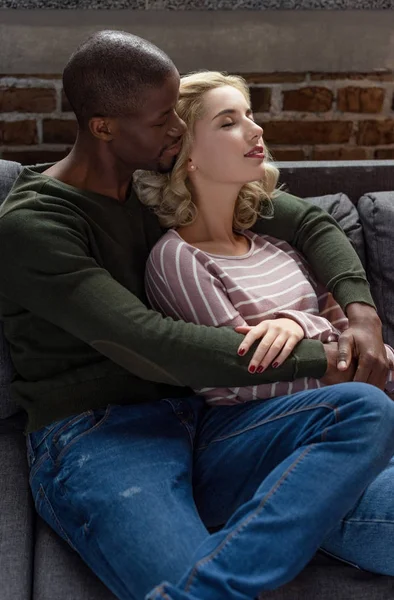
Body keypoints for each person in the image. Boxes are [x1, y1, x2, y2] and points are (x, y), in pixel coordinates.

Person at [0, 31, 393, 600]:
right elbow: (150, 343)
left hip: (204, 424)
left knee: (363, 407)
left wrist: (363, 320)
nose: (179, 130)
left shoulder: (155, 186)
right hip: (99, 435)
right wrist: (327, 353)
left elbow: (310, 221)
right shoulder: (33, 225)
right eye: (163, 120)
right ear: (104, 126)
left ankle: (215, 582)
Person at [140, 71, 394, 407]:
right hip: (269, 423)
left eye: (249, 116)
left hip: (352, 404)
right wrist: (345, 366)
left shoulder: (278, 246)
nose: (256, 129)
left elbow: (373, 354)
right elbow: (242, 378)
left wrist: (298, 324)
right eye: (228, 123)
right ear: (187, 155)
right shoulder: (178, 258)